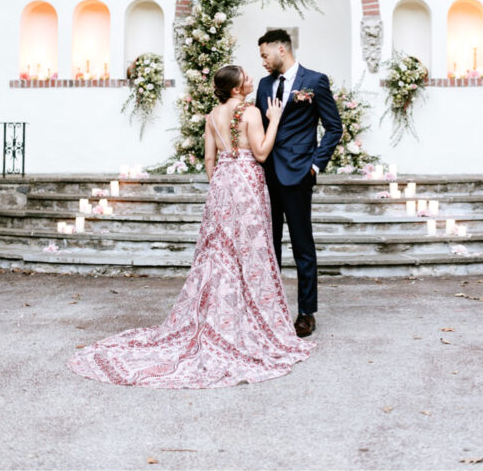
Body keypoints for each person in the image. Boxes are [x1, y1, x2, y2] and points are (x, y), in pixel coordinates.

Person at [68, 65, 314, 388]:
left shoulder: (212, 116)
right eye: (245, 77)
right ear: (237, 88)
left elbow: (209, 160)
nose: (251, 79)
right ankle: (247, 318)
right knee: (250, 252)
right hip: (247, 186)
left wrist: (221, 183)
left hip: (222, 186)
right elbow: (262, 152)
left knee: (218, 251)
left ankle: (216, 315)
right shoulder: (252, 112)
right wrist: (276, 118)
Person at [256, 29, 343, 338]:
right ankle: (271, 309)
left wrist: (315, 165)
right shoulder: (264, 85)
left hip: (298, 174)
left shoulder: (315, 81)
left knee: (302, 246)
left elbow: (334, 128)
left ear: (282, 49)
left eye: (265, 55)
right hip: (267, 174)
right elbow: (260, 128)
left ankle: (306, 313)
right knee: (269, 246)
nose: (263, 62)